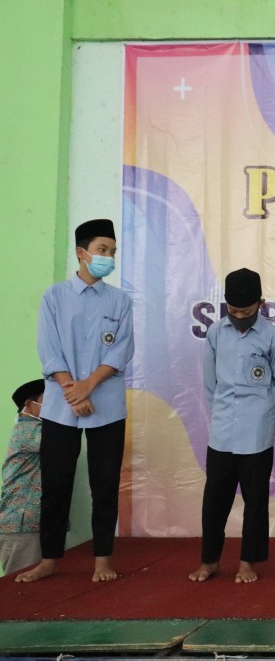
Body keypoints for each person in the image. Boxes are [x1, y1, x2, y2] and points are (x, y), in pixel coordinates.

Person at [18, 219, 134, 583]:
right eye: (102, 250)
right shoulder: (54, 297)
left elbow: (121, 350)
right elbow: (48, 348)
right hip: (61, 406)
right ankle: (49, 559)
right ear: (81, 253)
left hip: (106, 404)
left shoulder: (120, 300)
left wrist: (88, 386)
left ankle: (103, 559)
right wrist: (72, 390)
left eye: (112, 252)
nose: (108, 257)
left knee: (105, 484)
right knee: (55, 484)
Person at [189, 269, 275, 584]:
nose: (239, 318)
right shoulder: (216, 333)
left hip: (257, 435)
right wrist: (225, 411)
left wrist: (261, 414)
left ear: (260, 304)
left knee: (255, 501)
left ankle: (248, 562)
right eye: (233, 311)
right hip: (222, 432)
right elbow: (210, 384)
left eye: (246, 312)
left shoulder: (273, 337)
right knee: (214, 501)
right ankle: (209, 561)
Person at [0, 380, 46, 575]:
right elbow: (62, 440)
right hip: (23, 524)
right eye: (47, 400)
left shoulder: (29, 429)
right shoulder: (30, 430)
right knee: (22, 588)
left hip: (29, 523)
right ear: (29, 405)